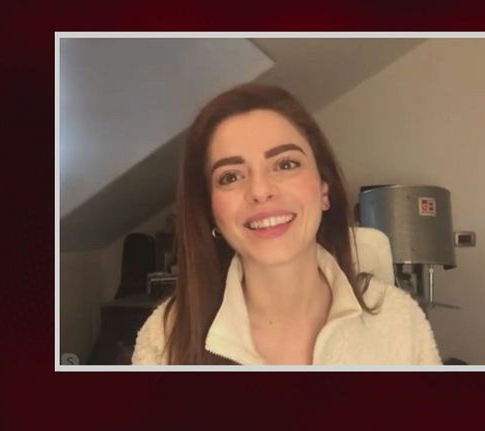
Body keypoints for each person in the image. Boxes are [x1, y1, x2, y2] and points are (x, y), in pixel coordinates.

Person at [132, 83, 442, 365]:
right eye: (230, 177)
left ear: (324, 190)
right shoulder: (164, 339)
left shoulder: (401, 323)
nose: (260, 190)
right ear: (211, 210)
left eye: (285, 164)